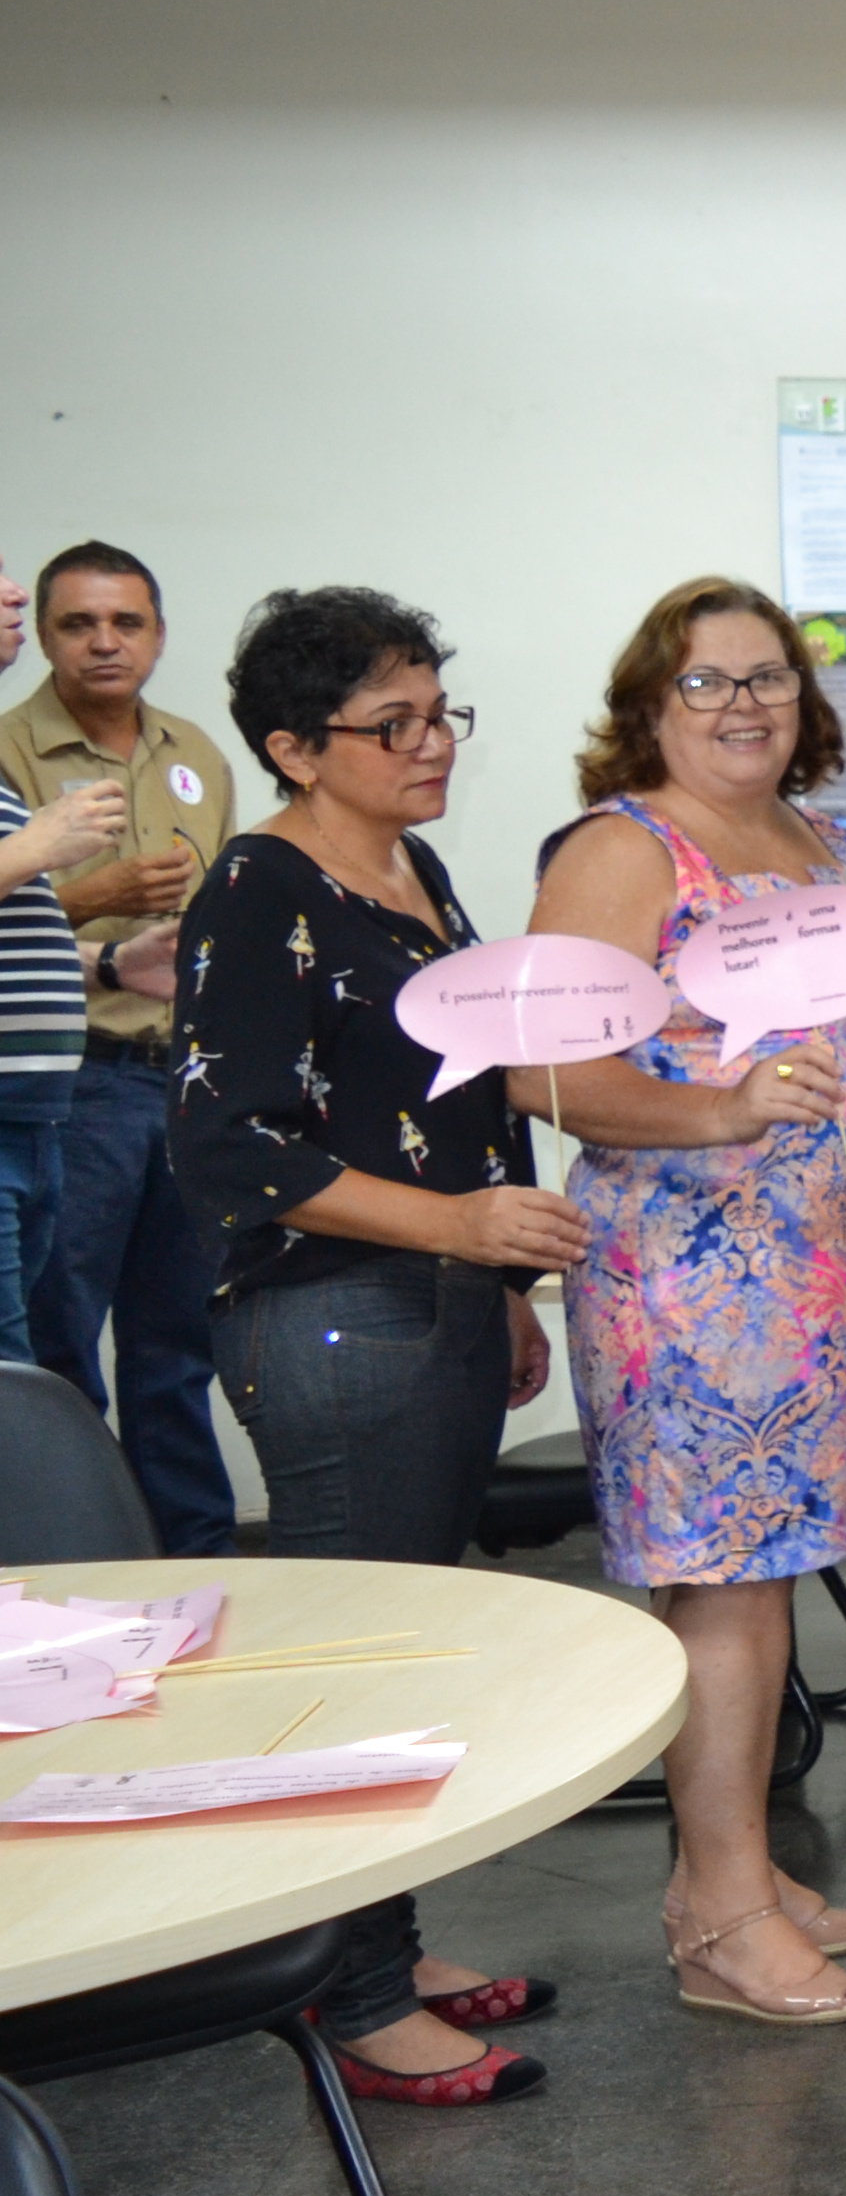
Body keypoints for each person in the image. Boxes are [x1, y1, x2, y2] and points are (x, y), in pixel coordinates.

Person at [172, 585, 566, 2103]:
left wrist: (502, 1277)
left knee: (420, 1649)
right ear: (291, 745)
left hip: (443, 1304)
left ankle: (387, 1945)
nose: (430, 745)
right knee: (361, 1672)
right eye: (389, 726)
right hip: (330, 1313)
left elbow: (463, 1092)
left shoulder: (413, 868)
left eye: (438, 713)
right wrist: (464, 1238)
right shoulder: (258, 891)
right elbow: (232, 1147)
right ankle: (351, 2000)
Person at [532, 577, 846, 2029]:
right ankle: (722, 1920)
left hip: (810, 1273)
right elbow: (541, 1070)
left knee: (765, 1580)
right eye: (707, 683)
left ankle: (735, 1865)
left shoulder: (816, 837)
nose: (745, 704)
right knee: (728, 1586)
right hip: (689, 1274)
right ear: (649, 705)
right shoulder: (626, 850)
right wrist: (723, 1111)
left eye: (769, 679)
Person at [2, 542, 236, 1549]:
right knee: (55, 1353)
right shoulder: (11, 747)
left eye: (126, 623)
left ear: (158, 635)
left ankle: (196, 1560)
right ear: (49, 639)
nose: (104, 642)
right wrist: (84, 897)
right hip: (74, 1086)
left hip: (177, 1079)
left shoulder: (197, 751)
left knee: (179, 1346)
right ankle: (87, 1567)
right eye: (76, 624)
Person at [0, 560, 125, 1381]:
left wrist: (110, 964)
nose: (15, 597)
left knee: (29, 1376)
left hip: (34, 1117)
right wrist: (30, 852)